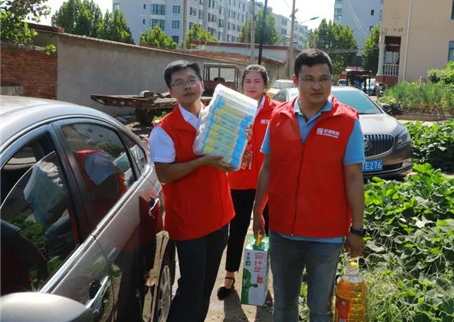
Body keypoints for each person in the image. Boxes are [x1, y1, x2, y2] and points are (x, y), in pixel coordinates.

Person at [252, 49, 366, 321]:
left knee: (319, 308)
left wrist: (357, 229)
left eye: (324, 78)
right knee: (283, 306)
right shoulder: (279, 117)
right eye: (309, 79)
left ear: (332, 81)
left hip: (325, 235)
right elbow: (268, 167)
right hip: (282, 232)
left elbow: (354, 178)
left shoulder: (347, 121)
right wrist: (257, 212)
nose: (317, 85)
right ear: (295, 80)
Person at [149, 60, 235, 322]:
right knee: (190, 288)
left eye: (191, 80)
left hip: (220, 218)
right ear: (171, 92)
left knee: (206, 287)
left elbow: (228, 162)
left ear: (201, 83)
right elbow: (164, 174)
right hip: (190, 223)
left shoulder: (217, 118)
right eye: (179, 83)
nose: (187, 86)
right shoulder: (164, 130)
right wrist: (202, 161)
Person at [217, 64, 278, 300]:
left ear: (265, 85)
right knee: (238, 229)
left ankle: (261, 273)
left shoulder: (276, 111)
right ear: (242, 85)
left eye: (257, 81)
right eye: (248, 81)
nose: (252, 86)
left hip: (266, 181)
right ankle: (230, 276)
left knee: (265, 228)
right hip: (239, 180)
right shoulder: (235, 109)